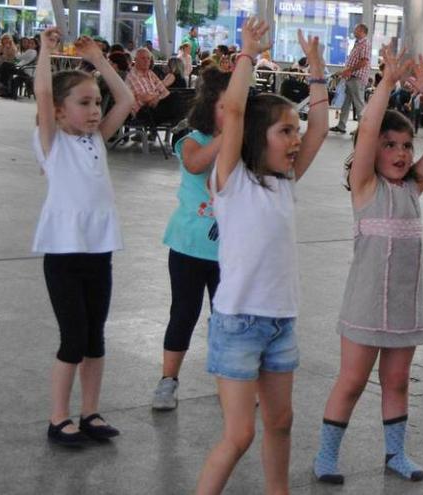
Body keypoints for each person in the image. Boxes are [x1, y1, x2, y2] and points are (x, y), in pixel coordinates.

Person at [194, 20, 329, 494]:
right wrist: (247, 54)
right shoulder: (232, 182)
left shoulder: (284, 184)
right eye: (285, 131)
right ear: (257, 136)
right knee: (240, 433)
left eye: (296, 131)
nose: (296, 140)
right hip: (237, 323)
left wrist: (316, 74)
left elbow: (322, 128)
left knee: (282, 422)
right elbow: (233, 109)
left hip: (281, 323)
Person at [312, 47, 423, 485]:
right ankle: (326, 456)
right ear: (371, 152)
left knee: (398, 382)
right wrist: (386, 84)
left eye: (407, 145)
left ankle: (396, 454)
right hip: (366, 305)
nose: (400, 152)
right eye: (390, 145)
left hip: (405, 308)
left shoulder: (413, 188)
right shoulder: (365, 188)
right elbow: (368, 127)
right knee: (352, 382)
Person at [32, 28, 135, 447]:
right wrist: (44, 51)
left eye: (96, 103)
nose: (95, 111)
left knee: (95, 337)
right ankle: (58, 418)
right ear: (58, 111)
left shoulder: (97, 139)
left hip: (98, 251)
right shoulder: (52, 143)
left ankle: (89, 411)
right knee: (72, 338)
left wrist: (98, 59)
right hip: (63, 253)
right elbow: (41, 94)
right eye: (85, 103)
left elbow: (126, 100)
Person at [151, 67, 230, 411]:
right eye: (228, 107)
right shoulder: (191, 137)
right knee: (184, 312)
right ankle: (168, 380)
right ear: (211, 105)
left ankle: (229, 381)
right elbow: (196, 164)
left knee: (226, 318)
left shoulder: (242, 143)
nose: (234, 114)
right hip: (188, 245)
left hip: (229, 250)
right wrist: (229, 135)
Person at [329, 23, 371, 134]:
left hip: (357, 78)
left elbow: (364, 61)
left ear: (362, 31)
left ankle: (362, 129)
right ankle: (341, 126)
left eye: (356, 29)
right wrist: (345, 71)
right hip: (350, 77)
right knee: (346, 103)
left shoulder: (365, 44)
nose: (354, 31)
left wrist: (349, 70)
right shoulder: (357, 43)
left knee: (359, 104)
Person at [125, 47, 169, 114]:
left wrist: (156, 98)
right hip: (143, 113)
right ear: (136, 60)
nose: (146, 61)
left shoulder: (150, 73)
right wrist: (158, 94)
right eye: (143, 58)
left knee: (176, 99)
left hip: (155, 108)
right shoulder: (132, 76)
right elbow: (145, 98)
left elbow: (165, 92)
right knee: (174, 100)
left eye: (148, 58)